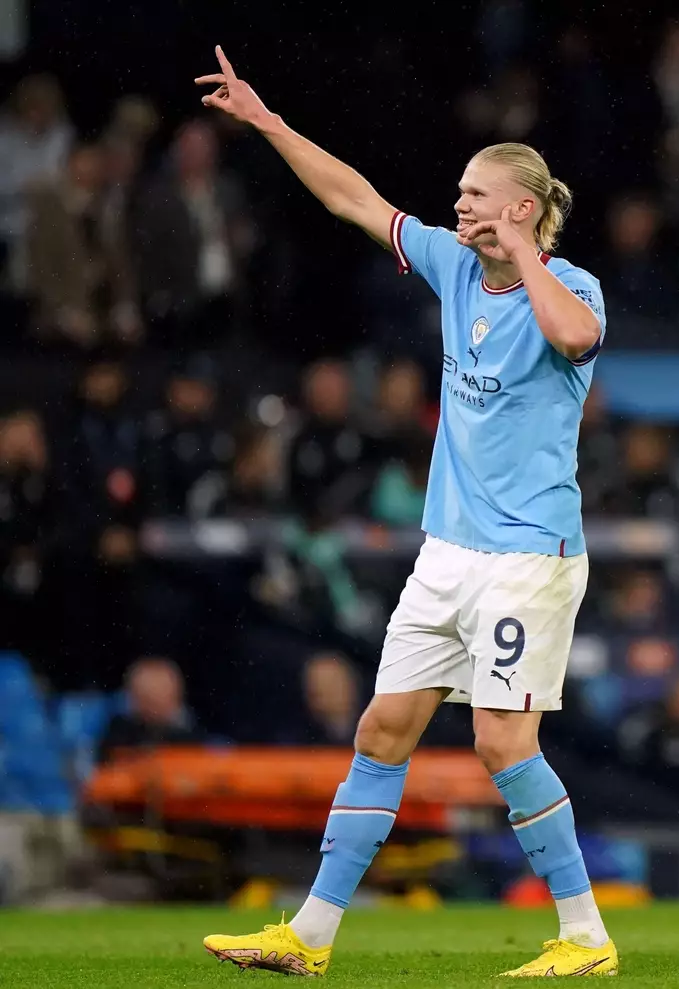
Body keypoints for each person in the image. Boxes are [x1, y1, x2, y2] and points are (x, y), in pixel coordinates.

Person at [192, 47, 616, 978]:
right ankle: (308, 935)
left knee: (503, 741)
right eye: (458, 194)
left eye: (473, 195)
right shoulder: (450, 266)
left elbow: (577, 338)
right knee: (382, 728)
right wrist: (267, 123)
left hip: (528, 555)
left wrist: (526, 253)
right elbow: (354, 196)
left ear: (519, 207)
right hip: (448, 552)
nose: (454, 205)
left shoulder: (570, 286)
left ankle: (586, 937)